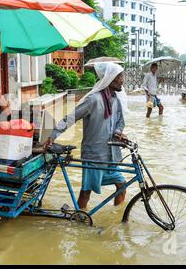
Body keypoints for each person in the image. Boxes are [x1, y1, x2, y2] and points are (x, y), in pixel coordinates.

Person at [44, 62, 128, 209]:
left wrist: (118, 133)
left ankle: (118, 220)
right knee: (86, 192)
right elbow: (71, 117)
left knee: (122, 186)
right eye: (120, 76)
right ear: (110, 78)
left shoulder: (116, 100)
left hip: (112, 155)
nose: (123, 80)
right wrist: (53, 135)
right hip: (94, 155)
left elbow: (120, 122)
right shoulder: (93, 100)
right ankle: (79, 219)